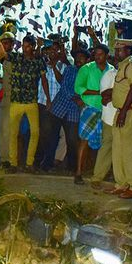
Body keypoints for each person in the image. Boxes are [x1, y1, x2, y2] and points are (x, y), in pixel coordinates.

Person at [107, 39, 132, 198]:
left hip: (130, 111)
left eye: (120, 50)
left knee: (129, 149)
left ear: (129, 51)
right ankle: (122, 183)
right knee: (118, 147)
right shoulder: (123, 66)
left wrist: (123, 111)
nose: (117, 53)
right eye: (116, 50)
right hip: (123, 110)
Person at [7, 34, 49, 171]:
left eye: (28, 46)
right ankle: (13, 163)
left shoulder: (39, 61)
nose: (25, 49)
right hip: (16, 101)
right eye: (24, 46)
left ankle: (29, 163)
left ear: (33, 47)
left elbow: (44, 80)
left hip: (31, 101)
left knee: (35, 132)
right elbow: (2, 53)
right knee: (13, 133)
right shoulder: (16, 57)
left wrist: (48, 98)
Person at [44, 46, 88, 175]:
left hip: (72, 111)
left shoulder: (88, 73)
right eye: (77, 57)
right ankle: (47, 164)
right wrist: (79, 98)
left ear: (87, 60)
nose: (79, 60)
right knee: (52, 137)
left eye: (82, 58)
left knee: (72, 141)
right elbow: (65, 86)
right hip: (60, 107)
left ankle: (71, 167)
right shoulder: (70, 69)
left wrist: (81, 97)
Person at [74, 44, 114, 184]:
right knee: (84, 141)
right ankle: (78, 172)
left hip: (106, 110)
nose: (97, 57)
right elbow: (78, 88)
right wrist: (99, 93)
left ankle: (99, 173)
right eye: (95, 54)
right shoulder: (87, 68)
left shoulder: (112, 71)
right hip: (90, 108)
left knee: (104, 143)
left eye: (100, 54)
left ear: (107, 55)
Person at [35, 41, 65, 171]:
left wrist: (54, 67)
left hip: (57, 105)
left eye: (55, 50)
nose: (52, 52)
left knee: (54, 134)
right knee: (44, 133)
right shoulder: (42, 65)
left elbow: (62, 82)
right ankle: (40, 160)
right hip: (43, 102)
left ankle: (47, 163)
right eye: (50, 50)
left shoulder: (63, 66)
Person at [0, 32, 15, 166]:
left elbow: (7, 81)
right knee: (1, 130)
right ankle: (1, 157)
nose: (5, 45)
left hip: (9, 98)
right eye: (3, 43)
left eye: (8, 43)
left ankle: (7, 159)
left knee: (7, 129)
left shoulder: (14, 60)